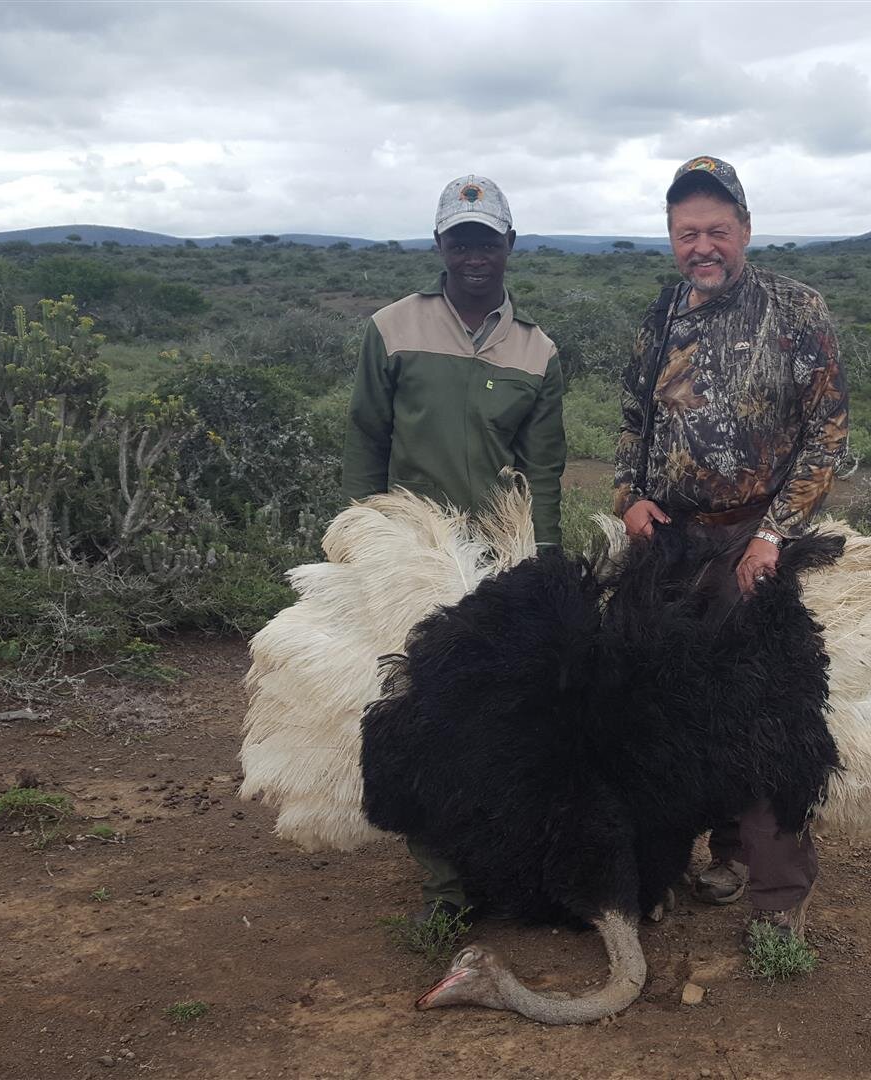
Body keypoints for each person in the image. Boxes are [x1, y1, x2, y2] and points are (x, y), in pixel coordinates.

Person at [610, 155, 848, 942]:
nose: (702, 245)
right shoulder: (660, 316)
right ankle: (716, 855)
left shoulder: (796, 309)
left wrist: (773, 536)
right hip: (670, 546)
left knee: (767, 720)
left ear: (744, 229)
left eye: (717, 229)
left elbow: (827, 435)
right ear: (671, 238)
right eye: (687, 233)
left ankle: (778, 902)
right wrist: (629, 496)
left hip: (757, 545)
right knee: (676, 708)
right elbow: (632, 426)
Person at [342, 174, 566, 922]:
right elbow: (367, 441)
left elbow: (546, 471)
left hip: (499, 564)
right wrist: (361, 542)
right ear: (440, 245)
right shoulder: (392, 328)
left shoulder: (538, 352)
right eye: (460, 239)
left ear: (509, 245)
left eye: (487, 240)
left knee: (501, 719)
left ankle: (498, 864)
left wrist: (547, 564)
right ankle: (443, 889)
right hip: (410, 557)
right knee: (417, 714)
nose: (474, 254)